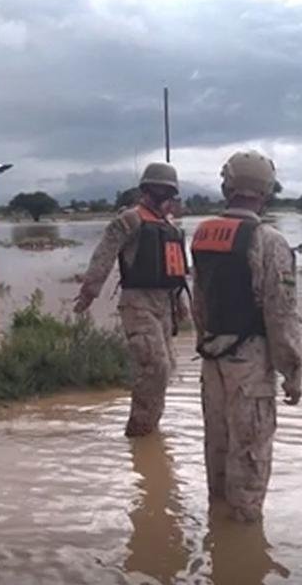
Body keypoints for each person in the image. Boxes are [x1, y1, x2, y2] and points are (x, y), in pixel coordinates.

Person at [189, 150, 302, 522]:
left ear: (228, 185)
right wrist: (292, 371)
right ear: (265, 190)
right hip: (250, 362)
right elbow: (280, 313)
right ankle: (244, 540)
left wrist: (207, 340)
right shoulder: (270, 241)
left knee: (218, 448)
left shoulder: (203, 235)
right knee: (251, 452)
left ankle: (217, 534)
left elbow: (199, 302)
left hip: (212, 357)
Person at [73, 162, 188, 437]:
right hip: (138, 304)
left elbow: (174, 271)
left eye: (167, 190)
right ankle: (138, 432)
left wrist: (179, 304)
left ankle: (149, 436)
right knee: (154, 367)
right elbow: (104, 256)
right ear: (146, 189)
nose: (163, 195)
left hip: (164, 306)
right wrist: (89, 292)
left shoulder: (169, 227)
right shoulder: (129, 220)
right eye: (158, 189)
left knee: (165, 370)